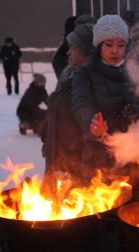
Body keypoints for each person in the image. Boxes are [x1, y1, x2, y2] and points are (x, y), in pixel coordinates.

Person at [72, 15, 139, 178]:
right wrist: (93, 124)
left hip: (134, 154)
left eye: (121, 45)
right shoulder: (84, 73)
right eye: (109, 45)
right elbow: (80, 103)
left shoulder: (137, 73)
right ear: (98, 46)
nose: (115, 51)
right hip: (98, 153)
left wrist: (136, 114)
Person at [41, 23, 94, 186]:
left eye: (73, 47)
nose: (68, 51)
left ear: (85, 51)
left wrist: (81, 170)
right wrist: (47, 137)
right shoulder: (69, 76)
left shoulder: (89, 83)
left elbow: (88, 132)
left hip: (73, 168)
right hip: (57, 160)